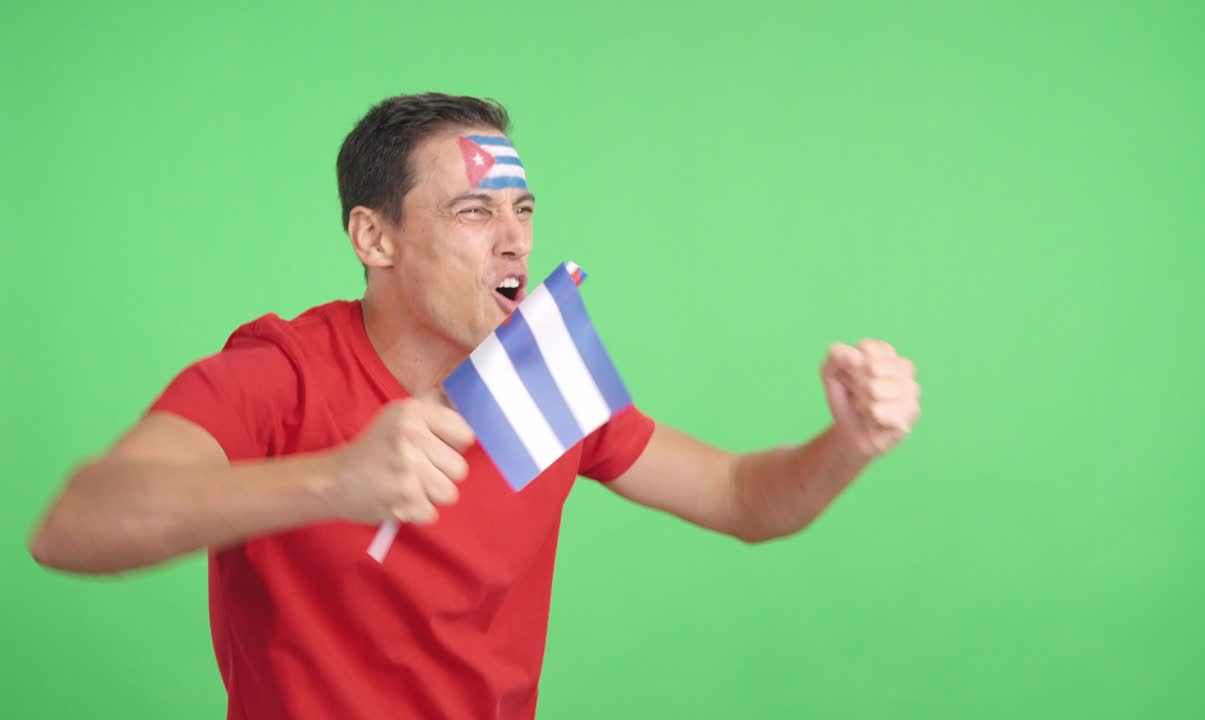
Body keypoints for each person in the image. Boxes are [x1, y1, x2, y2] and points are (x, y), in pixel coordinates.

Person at [29, 92, 921, 719]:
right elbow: (75, 525)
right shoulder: (282, 371)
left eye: (522, 208)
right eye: (472, 211)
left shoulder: (541, 378)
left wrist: (848, 442)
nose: (514, 239)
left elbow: (740, 497)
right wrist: (334, 481)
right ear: (373, 237)